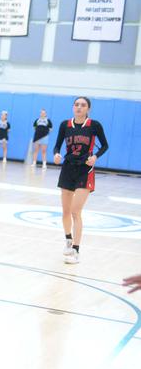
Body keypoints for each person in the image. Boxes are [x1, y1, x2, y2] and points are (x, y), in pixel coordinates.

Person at [53, 97, 108, 265]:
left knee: (76, 211)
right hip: (68, 169)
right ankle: (68, 240)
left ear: (88, 109)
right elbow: (57, 145)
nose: (79, 107)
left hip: (85, 170)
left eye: (83, 105)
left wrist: (95, 157)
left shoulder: (94, 125)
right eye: (76, 104)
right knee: (65, 212)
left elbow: (105, 145)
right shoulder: (65, 125)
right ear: (73, 107)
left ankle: (76, 250)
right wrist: (56, 154)